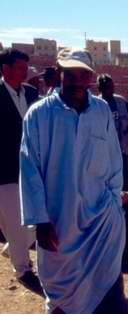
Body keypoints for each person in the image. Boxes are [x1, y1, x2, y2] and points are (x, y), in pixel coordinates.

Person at [19, 48, 128, 314]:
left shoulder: (100, 111)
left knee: (110, 281)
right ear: (59, 72)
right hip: (58, 221)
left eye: (85, 75)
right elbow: (30, 169)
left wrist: (114, 200)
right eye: (72, 74)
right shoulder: (39, 115)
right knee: (59, 287)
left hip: (101, 217)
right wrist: (39, 220)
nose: (79, 81)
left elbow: (112, 160)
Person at [0, 49, 40, 293]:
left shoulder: (34, 94)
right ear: (5, 69)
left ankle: (14, 248)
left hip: (32, 167)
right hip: (4, 169)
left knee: (40, 216)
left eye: (26, 68)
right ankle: (22, 268)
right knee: (14, 220)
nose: (25, 72)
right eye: (19, 68)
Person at [97, 74, 128, 195]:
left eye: (112, 86)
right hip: (103, 150)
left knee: (123, 177)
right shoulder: (95, 105)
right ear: (100, 88)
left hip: (120, 148)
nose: (111, 89)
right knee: (105, 178)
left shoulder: (121, 101)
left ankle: (127, 206)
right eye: (107, 87)